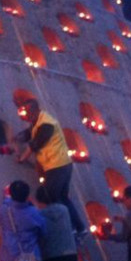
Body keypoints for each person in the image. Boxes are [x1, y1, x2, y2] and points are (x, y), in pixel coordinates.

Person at [15, 99, 86, 234]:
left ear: (34, 111)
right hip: (61, 164)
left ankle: (68, 229)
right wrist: (14, 138)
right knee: (63, 198)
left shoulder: (47, 124)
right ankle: (80, 228)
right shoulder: (38, 121)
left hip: (57, 165)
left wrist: (22, 158)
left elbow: (35, 144)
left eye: (27, 113)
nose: (26, 116)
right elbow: (28, 133)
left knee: (50, 197)